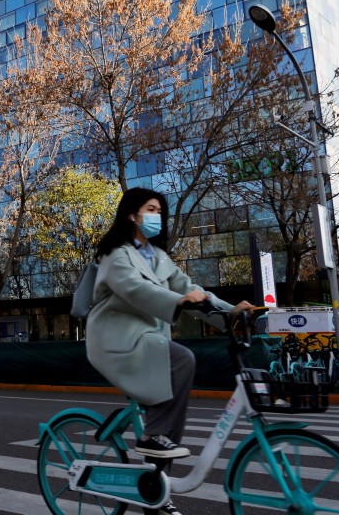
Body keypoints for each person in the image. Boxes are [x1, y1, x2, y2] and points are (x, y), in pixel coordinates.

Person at [85, 187, 253, 515]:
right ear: (132, 214)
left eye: (160, 211)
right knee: (181, 360)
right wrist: (176, 301)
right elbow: (135, 288)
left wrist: (230, 311)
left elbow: (189, 288)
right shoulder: (115, 255)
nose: (156, 216)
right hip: (116, 339)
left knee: (168, 433)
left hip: (147, 339)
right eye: (150, 209)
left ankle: (156, 492)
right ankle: (154, 436)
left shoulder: (159, 257)